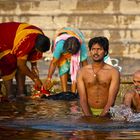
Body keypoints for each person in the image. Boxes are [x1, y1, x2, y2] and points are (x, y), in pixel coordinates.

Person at [0, 22, 50, 100]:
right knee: (10, 62)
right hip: (3, 39)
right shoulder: (26, 41)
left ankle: (21, 93)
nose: (40, 53)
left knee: (22, 63)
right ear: (34, 45)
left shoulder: (40, 36)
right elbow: (21, 65)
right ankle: (9, 94)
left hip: (14, 38)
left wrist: (34, 66)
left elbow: (29, 57)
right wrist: (35, 79)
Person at [77, 36, 120, 117]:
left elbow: (111, 100)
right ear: (90, 51)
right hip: (87, 111)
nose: (95, 52)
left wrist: (102, 117)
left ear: (106, 52)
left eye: (99, 49)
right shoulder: (82, 72)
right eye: (93, 49)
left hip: (107, 112)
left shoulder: (114, 72)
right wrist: (88, 117)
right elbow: (82, 99)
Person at [44, 27, 88, 93]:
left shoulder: (82, 48)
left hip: (77, 35)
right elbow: (54, 63)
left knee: (76, 69)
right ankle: (64, 91)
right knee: (63, 66)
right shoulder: (60, 46)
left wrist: (87, 80)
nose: (70, 56)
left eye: (72, 54)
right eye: (69, 53)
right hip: (63, 34)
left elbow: (85, 67)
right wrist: (49, 78)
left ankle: (73, 92)